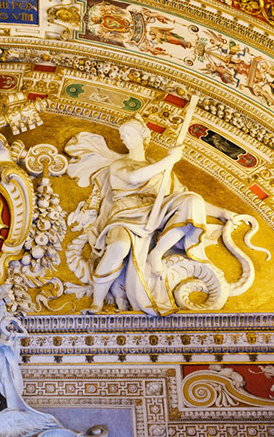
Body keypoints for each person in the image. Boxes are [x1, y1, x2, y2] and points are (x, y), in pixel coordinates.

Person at [67, 119, 211, 313]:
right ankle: (98, 301)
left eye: (128, 134)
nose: (124, 138)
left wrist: (225, 213)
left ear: (143, 135)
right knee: (118, 246)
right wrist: (169, 160)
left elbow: (183, 198)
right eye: (122, 135)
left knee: (193, 200)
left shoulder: (161, 171)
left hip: (155, 212)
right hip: (126, 214)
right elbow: (134, 177)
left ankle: (157, 252)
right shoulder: (120, 165)